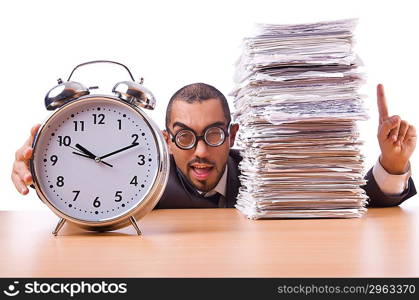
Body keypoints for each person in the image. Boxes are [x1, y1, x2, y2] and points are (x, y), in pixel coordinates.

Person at [12, 83, 417, 208]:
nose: (201, 152)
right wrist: (43, 166)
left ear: (233, 136)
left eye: (214, 135)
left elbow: (349, 201)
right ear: (166, 141)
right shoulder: (137, 187)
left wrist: (392, 164)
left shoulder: (265, 177)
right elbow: (86, 199)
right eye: (185, 137)